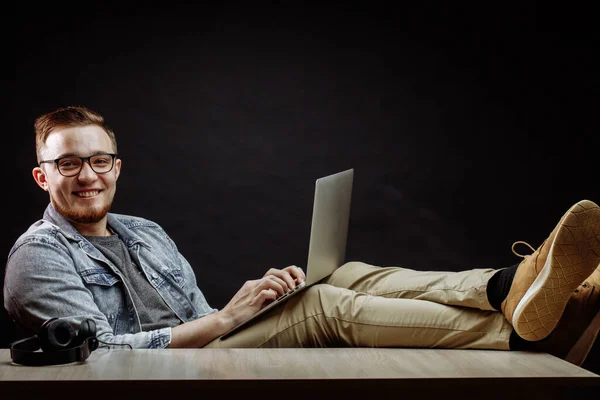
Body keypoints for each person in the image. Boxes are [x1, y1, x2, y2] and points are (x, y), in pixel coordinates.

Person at [4, 106, 600, 368]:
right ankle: (533, 329)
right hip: (160, 373)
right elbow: (102, 356)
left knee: (342, 273)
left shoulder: (143, 231)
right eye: (68, 165)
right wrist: (221, 322)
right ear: (42, 176)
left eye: (100, 161)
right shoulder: (37, 257)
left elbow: (197, 315)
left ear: (117, 166)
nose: (88, 176)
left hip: (208, 345)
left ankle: (509, 287)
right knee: (323, 304)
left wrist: (246, 305)